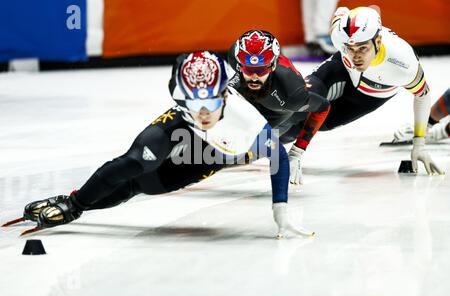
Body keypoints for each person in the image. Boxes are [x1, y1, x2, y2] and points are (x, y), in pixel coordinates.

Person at [15, 51, 311, 239]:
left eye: (210, 103)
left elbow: (278, 157)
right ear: (181, 99)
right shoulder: (186, 111)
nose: (204, 113)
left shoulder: (247, 121)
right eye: (195, 103)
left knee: (147, 184)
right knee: (135, 162)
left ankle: (76, 204)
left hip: (218, 148)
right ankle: (73, 203)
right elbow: (128, 161)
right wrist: (75, 204)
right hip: (180, 127)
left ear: (224, 97)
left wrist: (280, 210)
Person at [282, 6, 444, 177]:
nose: (356, 56)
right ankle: (255, 141)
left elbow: (423, 95)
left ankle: (266, 148)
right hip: (341, 69)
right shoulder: (339, 34)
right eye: (350, 48)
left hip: (369, 95)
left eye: (362, 48)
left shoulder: (402, 64)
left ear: (378, 41)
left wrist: (419, 144)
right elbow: (350, 11)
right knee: (297, 103)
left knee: (305, 127)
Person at [228, 29, 331, 184]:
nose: (254, 76)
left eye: (261, 69)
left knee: (236, 151)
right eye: (248, 69)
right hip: (255, 100)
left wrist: (297, 151)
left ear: (273, 65)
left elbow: (323, 106)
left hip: (279, 115)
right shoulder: (234, 56)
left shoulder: (292, 94)